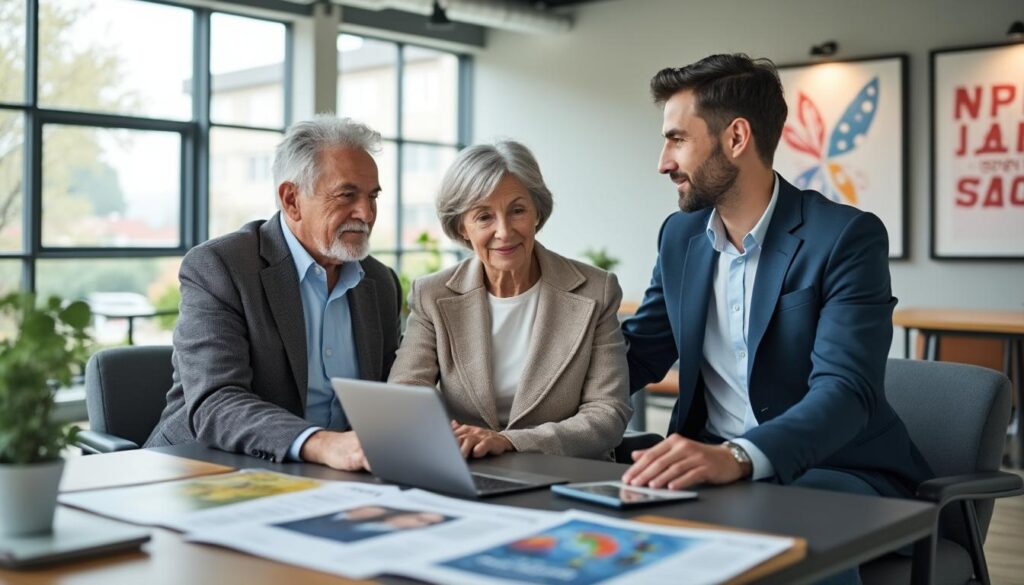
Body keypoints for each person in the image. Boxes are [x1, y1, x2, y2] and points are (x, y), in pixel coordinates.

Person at [620, 54, 932, 500]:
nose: (663, 163)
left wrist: (740, 457)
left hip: (833, 471)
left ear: (736, 137)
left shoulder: (845, 238)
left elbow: (845, 391)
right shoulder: (680, 236)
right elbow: (639, 354)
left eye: (676, 140)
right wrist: (516, 413)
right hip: (708, 464)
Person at [145, 116, 401, 471]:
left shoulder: (379, 282)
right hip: (207, 468)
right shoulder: (221, 267)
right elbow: (216, 402)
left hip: (336, 476)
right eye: (347, 195)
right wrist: (321, 444)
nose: (367, 213)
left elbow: (391, 394)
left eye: (372, 197)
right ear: (292, 199)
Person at [387, 140, 632, 460]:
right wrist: (456, 442)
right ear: (462, 227)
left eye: (517, 211)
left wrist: (511, 441)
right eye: (484, 217)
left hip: (564, 474)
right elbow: (405, 398)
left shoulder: (595, 291)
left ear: (536, 213)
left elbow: (607, 414)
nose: (504, 231)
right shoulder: (433, 295)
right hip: (467, 468)